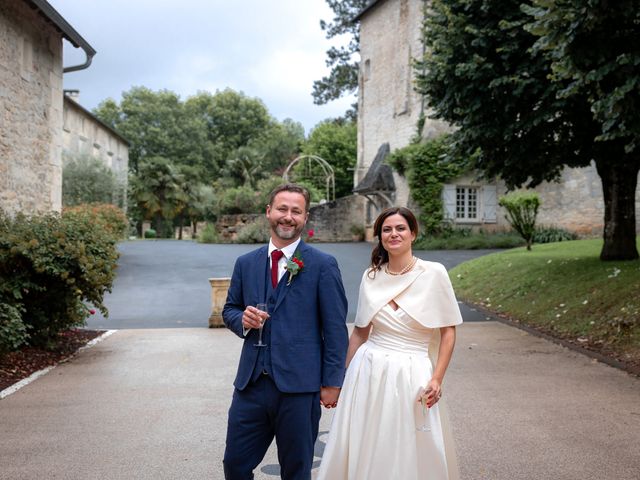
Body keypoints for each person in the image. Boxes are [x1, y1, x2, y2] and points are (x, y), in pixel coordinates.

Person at [317, 207, 463, 480]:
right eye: (387, 229)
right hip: (368, 370)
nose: (393, 234)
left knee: (409, 444)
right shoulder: (370, 276)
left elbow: (448, 332)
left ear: (413, 234)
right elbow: (360, 334)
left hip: (412, 371)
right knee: (366, 440)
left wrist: (437, 378)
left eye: (400, 228)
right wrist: (339, 380)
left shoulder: (433, 273)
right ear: (380, 237)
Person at [222, 183, 349, 480]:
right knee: (235, 465)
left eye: (296, 211)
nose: (288, 217)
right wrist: (242, 318)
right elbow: (229, 309)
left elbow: (335, 330)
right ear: (268, 212)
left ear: (305, 218)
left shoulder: (323, 265)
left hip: (299, 388)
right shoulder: (246, 263)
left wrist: (333, 381)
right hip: (251, 385)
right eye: (282, 209)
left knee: (296, 471)